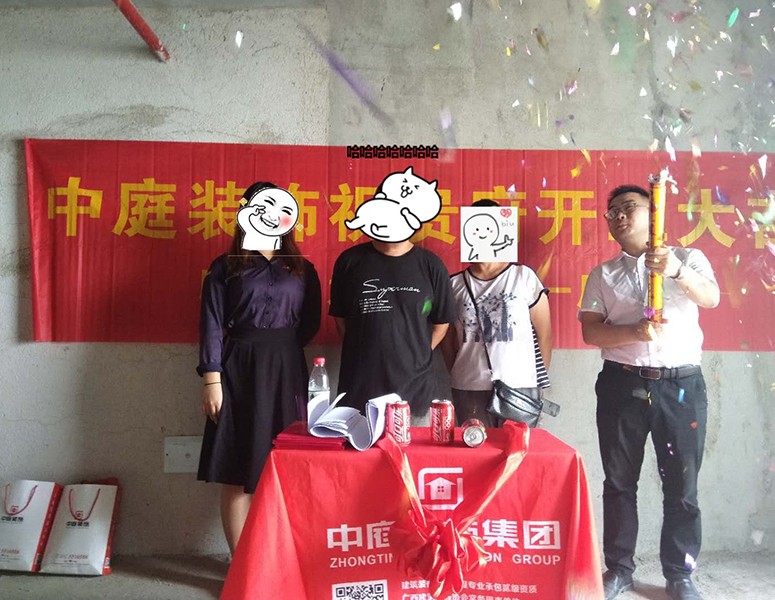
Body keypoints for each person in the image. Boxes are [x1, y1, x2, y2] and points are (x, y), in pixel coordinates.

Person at [578, 185, 719, 600]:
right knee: (619, 482)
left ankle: (679, 574)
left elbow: (710, 298)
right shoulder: (602, 274)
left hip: (681, 386)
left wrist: (675, 270)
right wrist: (633, 332)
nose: (619, 216)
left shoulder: (689, 258)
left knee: (682, 485)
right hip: (622, 384)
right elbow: (591, 331)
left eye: (629, 208)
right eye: (612, 212)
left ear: (654, 212)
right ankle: (619, 569)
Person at [196, 181, 321, 555]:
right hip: (237, 370)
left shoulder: (302, 268)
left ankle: (279, 559)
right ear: (245, 212)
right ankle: (241, 565)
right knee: (237, 468)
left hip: (286, 369)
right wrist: (212, 380)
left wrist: (280, 348)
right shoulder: (226, 267)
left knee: (285, 465)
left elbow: (311, 323)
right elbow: (211, 324)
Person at [440, 199, 553, 427]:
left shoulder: (524, 277)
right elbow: (448, 341)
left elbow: (545, 335)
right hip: (468, 385)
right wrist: (463, 370)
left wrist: (530, 379)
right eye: (475, 227)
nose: (482, 234)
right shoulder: (454, 284)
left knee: (519, 447)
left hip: (519, 387)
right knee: (474, 446)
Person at [329, 237, 455, 420]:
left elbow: (441, 324)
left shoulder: (431, 265)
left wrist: (417, 353)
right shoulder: (349, 261)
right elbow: (341, 319)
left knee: (414, 439)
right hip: (358, 389)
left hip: (415, 393)